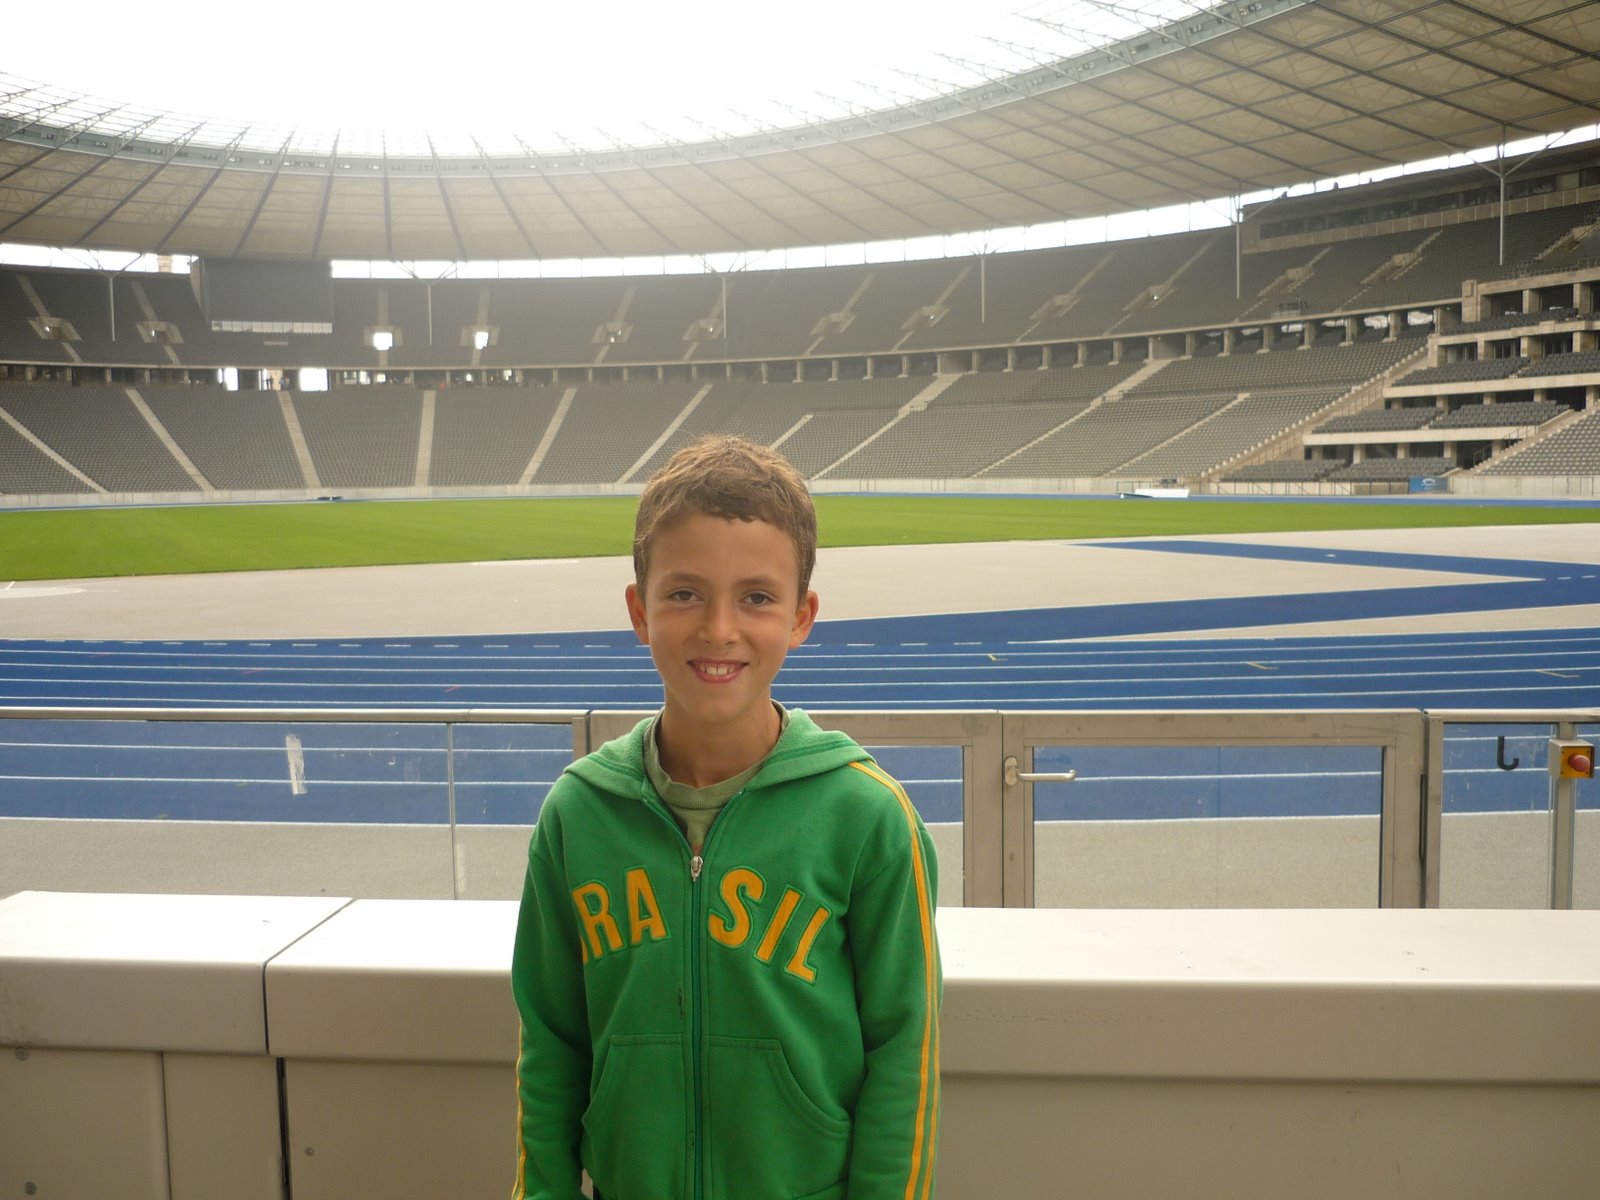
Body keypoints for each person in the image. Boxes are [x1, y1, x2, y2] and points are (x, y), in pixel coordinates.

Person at [511, 434, 941, 1200]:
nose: (718, 629)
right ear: (639, 611)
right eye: (684, 594)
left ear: (801, 617)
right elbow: (551, 1044)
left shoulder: (868, 818)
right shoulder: (578, 815)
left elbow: (904, 1057)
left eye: (756, 598)